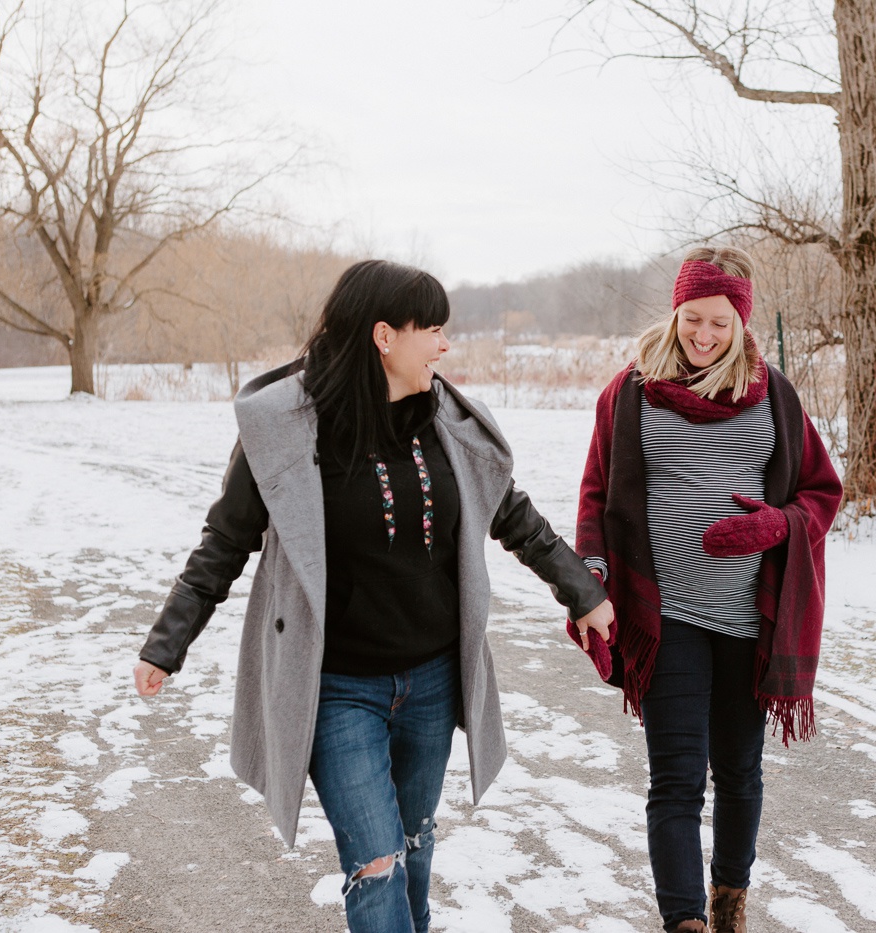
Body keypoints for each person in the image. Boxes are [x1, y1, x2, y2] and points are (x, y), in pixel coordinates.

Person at [133, 259, 615, 933]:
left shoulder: (448, 424)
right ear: (384, 336)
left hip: (432, 680)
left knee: (414, 844)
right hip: (336, 688)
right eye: (434, 330)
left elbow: (515, 517)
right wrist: (166, 643)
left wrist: (583, 591)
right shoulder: (287, 432)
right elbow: (223, 542)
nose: (445, 345)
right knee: (376, 860)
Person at [573, 246, 842, 933]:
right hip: (665, 617)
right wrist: (592, 573)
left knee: (740, 771)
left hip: (748, 620)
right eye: (692, 318)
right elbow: (597, 497)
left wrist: (775, 526)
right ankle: (684, 921)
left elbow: (821, 491)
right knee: (675, 779)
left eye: (718, 322)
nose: (702, 335)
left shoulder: (774, 394)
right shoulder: (629, 391)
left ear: (741, 321)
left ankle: (730, 903)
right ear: (676, 311)